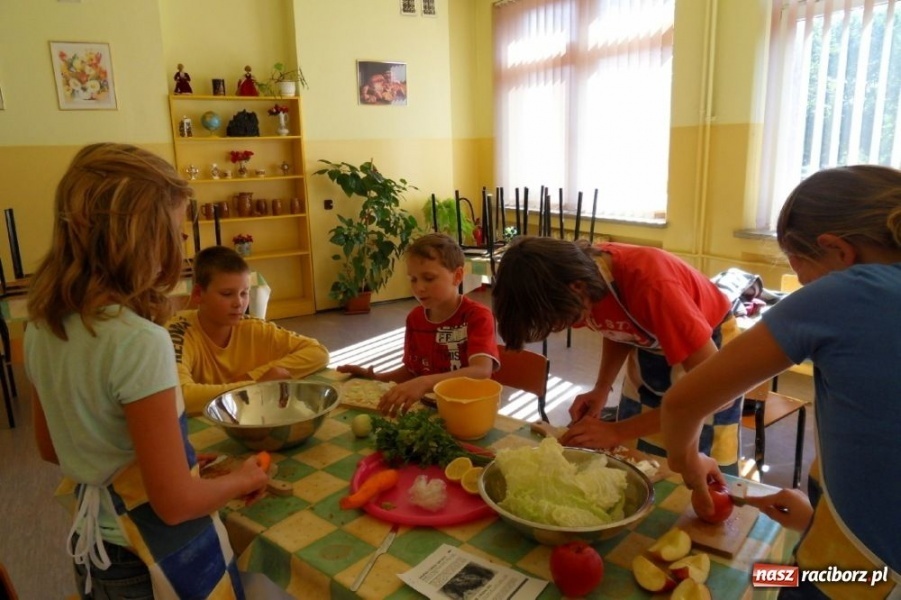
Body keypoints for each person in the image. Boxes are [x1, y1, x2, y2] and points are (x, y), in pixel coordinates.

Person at [25, 143, 268, 599]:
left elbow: (51, 446)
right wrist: (245, 479)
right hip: (148, 559)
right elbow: (174, 504)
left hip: (94, 549)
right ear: (140, 239)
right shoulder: (138, 340)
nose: (180, 246)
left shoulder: (42, 324)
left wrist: (174, 464)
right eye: (175, 234)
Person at [662, 165, 901, 599]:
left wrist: (690, 467)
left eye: (801, 269)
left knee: (753, 580)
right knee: (767, 574)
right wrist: (819, 520)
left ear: (837, 250)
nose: (804, 285)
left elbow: (681, 404)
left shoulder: (850, 291)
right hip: (853, 553)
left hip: (863, 580)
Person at [492, 236, 742, 472]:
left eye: (562, 321)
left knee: (696, 463)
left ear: (577, 288)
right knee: (639, 458)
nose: (565, 326)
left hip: (708, 344)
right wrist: (602, 389)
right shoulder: (586, 282)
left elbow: (717, 394)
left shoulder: (653, 286)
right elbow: (616, 325)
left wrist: (617, 431)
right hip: (649, 346)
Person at [337, 233, 499, 416]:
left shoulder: (477, 316)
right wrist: (376, 379)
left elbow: (481, 371)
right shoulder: (415, 319)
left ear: (458, 276)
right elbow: (412, 371)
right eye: (413, 279)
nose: (419, 288)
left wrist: (425, 383)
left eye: (429, 278)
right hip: (428, 409)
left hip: (470, 411)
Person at [167, 245, 330, 415]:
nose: (239, 303)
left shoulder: (252, 327)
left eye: (244, 293)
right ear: (199, 294)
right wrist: (257, 385)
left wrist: (253, 376)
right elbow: (179, 396)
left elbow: (318, 353)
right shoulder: (179, 331)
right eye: (227, 294)